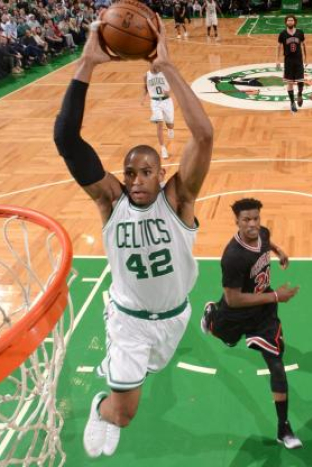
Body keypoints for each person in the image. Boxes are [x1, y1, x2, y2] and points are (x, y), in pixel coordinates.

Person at [53, 14, 213, 459]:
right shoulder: (111, 202)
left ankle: (117, 392)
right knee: (123, 414)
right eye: (130, 172)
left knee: (144, 382)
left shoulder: (179, 200)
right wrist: (87, 63)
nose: (137, 179)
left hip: (174, 318)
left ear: (162, 174)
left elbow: (203, 135)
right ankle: (101, 407)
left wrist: (167, 67)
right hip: (128, 320)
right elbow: (66, 139)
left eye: (146, 171)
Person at [200, 198, 302, 449]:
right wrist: (276, 295)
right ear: (236, 221)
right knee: (227, 339)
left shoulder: (262, 233)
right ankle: (211, 315)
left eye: (255, 218)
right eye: (246, 220)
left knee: (276, 365)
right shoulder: (233, 257)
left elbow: (266, 241)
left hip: (263, 312)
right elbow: (233, 299)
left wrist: (279, 251)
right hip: (235, 312)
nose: (252, 224)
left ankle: (283, 428)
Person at [143, 62, 175, 159]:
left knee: (170, 123)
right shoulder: (146, 75)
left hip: (167, 101)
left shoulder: (165, 73)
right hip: (155, 102)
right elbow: (145, 87)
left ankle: (170, 129)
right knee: (159, 125)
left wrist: (169, 91)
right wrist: (143, 97)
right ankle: (163, 148)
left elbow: (174, 84)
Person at [276, 15, 307, 113]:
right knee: (290, 82)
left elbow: (304, 45)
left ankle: (300, 94)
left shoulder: (300, 32)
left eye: (292, 20)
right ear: (286, 22)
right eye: (288, 20)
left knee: (300, 80)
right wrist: (277, 60)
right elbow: (278, 47)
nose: (290, 22)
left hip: (298, 60)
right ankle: (292, 102)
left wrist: (306, 58)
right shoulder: (282, 34)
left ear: (295, 22)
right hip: (288, 60)